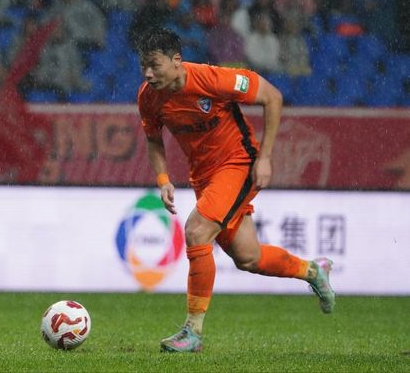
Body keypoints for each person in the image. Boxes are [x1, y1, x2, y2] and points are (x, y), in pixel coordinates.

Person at [135, 27, 335, 353]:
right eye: (144, 65)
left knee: (197, 231)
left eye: (154, 65)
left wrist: (265, 158)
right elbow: (153, 138)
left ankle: (192, 332)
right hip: (204, 177)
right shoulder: (148, 97)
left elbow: (272, 97)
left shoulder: (213, 79)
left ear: (176, 60)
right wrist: (162, 178)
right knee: (248, 257)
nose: (148, 73)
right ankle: (313, 270)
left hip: (238, 163)